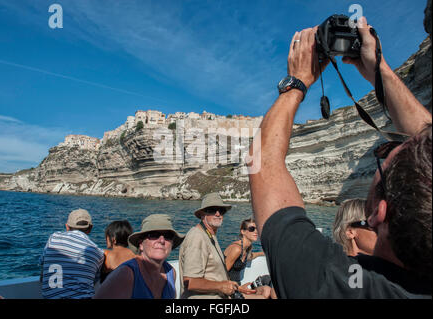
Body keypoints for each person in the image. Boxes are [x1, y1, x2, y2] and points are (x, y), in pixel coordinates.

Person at [248, 16, 431, 298]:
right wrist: (378, 67)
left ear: (379, 213)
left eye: (384, 154)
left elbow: (263, 159)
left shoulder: (331, 284)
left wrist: (295, 83)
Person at [178, 192, 256, 299]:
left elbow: (214, 276)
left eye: (221, 211)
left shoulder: (210, 236)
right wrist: (221, 286)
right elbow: (190, 281)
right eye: (212, 210)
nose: (218, 214)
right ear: (202, 215)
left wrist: (235, 287)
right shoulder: (197, 237)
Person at [94, 214, 184, 299]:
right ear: (141, 244)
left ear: (172, 244)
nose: (162, 240)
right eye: (154, 235)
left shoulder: (171, 272)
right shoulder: (126, 274)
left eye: (168, 236)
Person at [39, 208, 105, 299]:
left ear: (67, 227)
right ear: (90, 228)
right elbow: (93, 281)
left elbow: (43, 269)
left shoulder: (53, 238)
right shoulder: (98, 252)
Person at [224, 217, 276, 299]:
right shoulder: (237, 249)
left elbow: (252, 255)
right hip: (229, 290)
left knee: (267, 290)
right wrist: (238, 288)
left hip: (238, 286)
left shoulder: (246, 249)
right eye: (252, 229)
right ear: (243, 231)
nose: (255, 232)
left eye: (257, 229)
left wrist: (265, 253)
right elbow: (222, 273)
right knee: (263, 297)